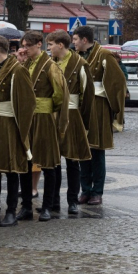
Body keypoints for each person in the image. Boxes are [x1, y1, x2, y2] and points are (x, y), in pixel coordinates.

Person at [15, 31, 69, 222]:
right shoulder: (25, 64)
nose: (25, 49)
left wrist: (47, 110)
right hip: (27, 117)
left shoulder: (50, 66)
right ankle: (26, 206)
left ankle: (48, 206)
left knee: (48, 163)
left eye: (28, 46)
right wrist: (20, 63)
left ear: (39, 44)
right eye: (23, 45)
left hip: (44, 117)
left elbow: (60, 94)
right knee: (26, 163)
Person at [0, 36, 35, 228]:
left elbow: (28, 102)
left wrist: (22, 129)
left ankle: (11, 211)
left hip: (9, 123)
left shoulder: (17, 70)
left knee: (11, 169)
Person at [72, 26, 127, 205]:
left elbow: (118, 81)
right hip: (80, 106)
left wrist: (110, 102)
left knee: (96, 149)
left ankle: (97, 191)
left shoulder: (104, 55)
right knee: (82, 149)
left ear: (84, 40)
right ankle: (85, 189)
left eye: (75, 39)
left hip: (97, 105)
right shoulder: (75, 57)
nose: (73, 42)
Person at [47, 30, 94, 215]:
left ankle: (72, 200)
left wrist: (83, 121)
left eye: (50, 44)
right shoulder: (50, 63)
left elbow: (87, 94)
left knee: (73, 160)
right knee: (53, 161)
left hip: (73, 115)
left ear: (60, 45)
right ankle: (53, 201)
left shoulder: (80, 63)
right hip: (54, 115)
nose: (48, 48)